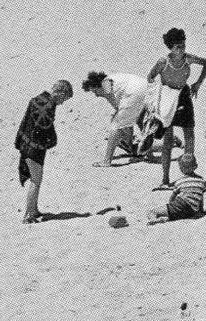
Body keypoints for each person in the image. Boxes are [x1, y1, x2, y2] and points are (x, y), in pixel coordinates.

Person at [148, 28, 206, 188]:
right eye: (178, 47)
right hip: (168, 99)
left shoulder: (188, 58)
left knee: (189, 134)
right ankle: (165, 180)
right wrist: (157, 95)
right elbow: (150, 77)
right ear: (170, 48)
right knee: (168, 140)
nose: (182, 49)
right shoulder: (163, 62)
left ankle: (189, 174)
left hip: (183, 95)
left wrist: (198, 83)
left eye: (183, 45)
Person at [15, 80, 73, 223]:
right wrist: (51, 140)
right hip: (34, 149)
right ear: (60, 93)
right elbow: (43, 128)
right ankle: (28, 215)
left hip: (26, 145)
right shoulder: (48, 105)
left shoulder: (38, 99)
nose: (62, 102)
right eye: (63, 99)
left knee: (36, 179)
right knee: (36, 180)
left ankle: (34, 210)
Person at [83, 70, 151, 164]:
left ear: (98, 86)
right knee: (136, 121)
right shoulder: (113, 82)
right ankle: (144, 149)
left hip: (134, 92)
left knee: (116, 125)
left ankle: (106, 161)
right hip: (144, 88)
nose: (96, 95)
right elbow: (121, 110)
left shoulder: (106, 84)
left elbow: (119, 113)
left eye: (95, 91)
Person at [151, 152, 206, 223]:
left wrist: (170, 206)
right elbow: (200, 198)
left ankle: (153, 220)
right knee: (177, 214)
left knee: (153, 212)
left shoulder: (180, 181)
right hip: (192, 211)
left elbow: (172, 197)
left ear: (181, 168)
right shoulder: (201, 181)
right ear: (195, 166)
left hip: (181, 205)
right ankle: (169, 217)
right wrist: (200, 211)